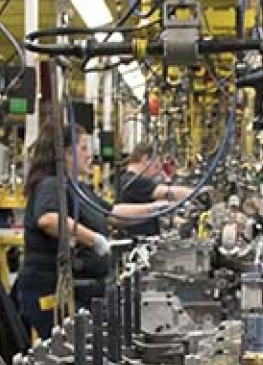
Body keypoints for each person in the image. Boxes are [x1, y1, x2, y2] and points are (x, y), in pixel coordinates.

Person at [18, 125, 167, 340]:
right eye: (84, 148)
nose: (90, 155)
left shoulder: (77, 188)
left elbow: (113, 213)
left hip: (83, 291)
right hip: (52, 292)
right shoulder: (51, 184)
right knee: (68, 351)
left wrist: (157, 208)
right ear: (66, 154)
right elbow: (49, 219)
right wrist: (94, 240)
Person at [111, 141, 195, 237]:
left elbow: (155, 214)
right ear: (145, 159)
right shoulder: (134, 181)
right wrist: (198, 192)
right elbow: (168, 192)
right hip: (136, 241)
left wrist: (180, 223)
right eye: (156, 166)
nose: (158, 171)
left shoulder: (124, 178)